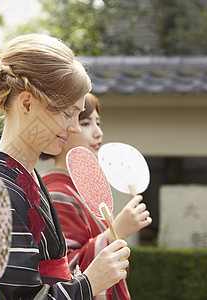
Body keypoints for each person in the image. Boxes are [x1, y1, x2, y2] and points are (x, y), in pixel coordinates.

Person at [0, 34, 130, 299]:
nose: (74, 126)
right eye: (66, 114)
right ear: (27, 103)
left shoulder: (24, 178)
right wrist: (89, 283)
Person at [40, 93, 153, 300]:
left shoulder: (81, 188)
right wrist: (116, 231)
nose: (98, 132)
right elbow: (64, 267)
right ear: (64, 128)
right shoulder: (57, 192)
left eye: (98, 123)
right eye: (86, 123)